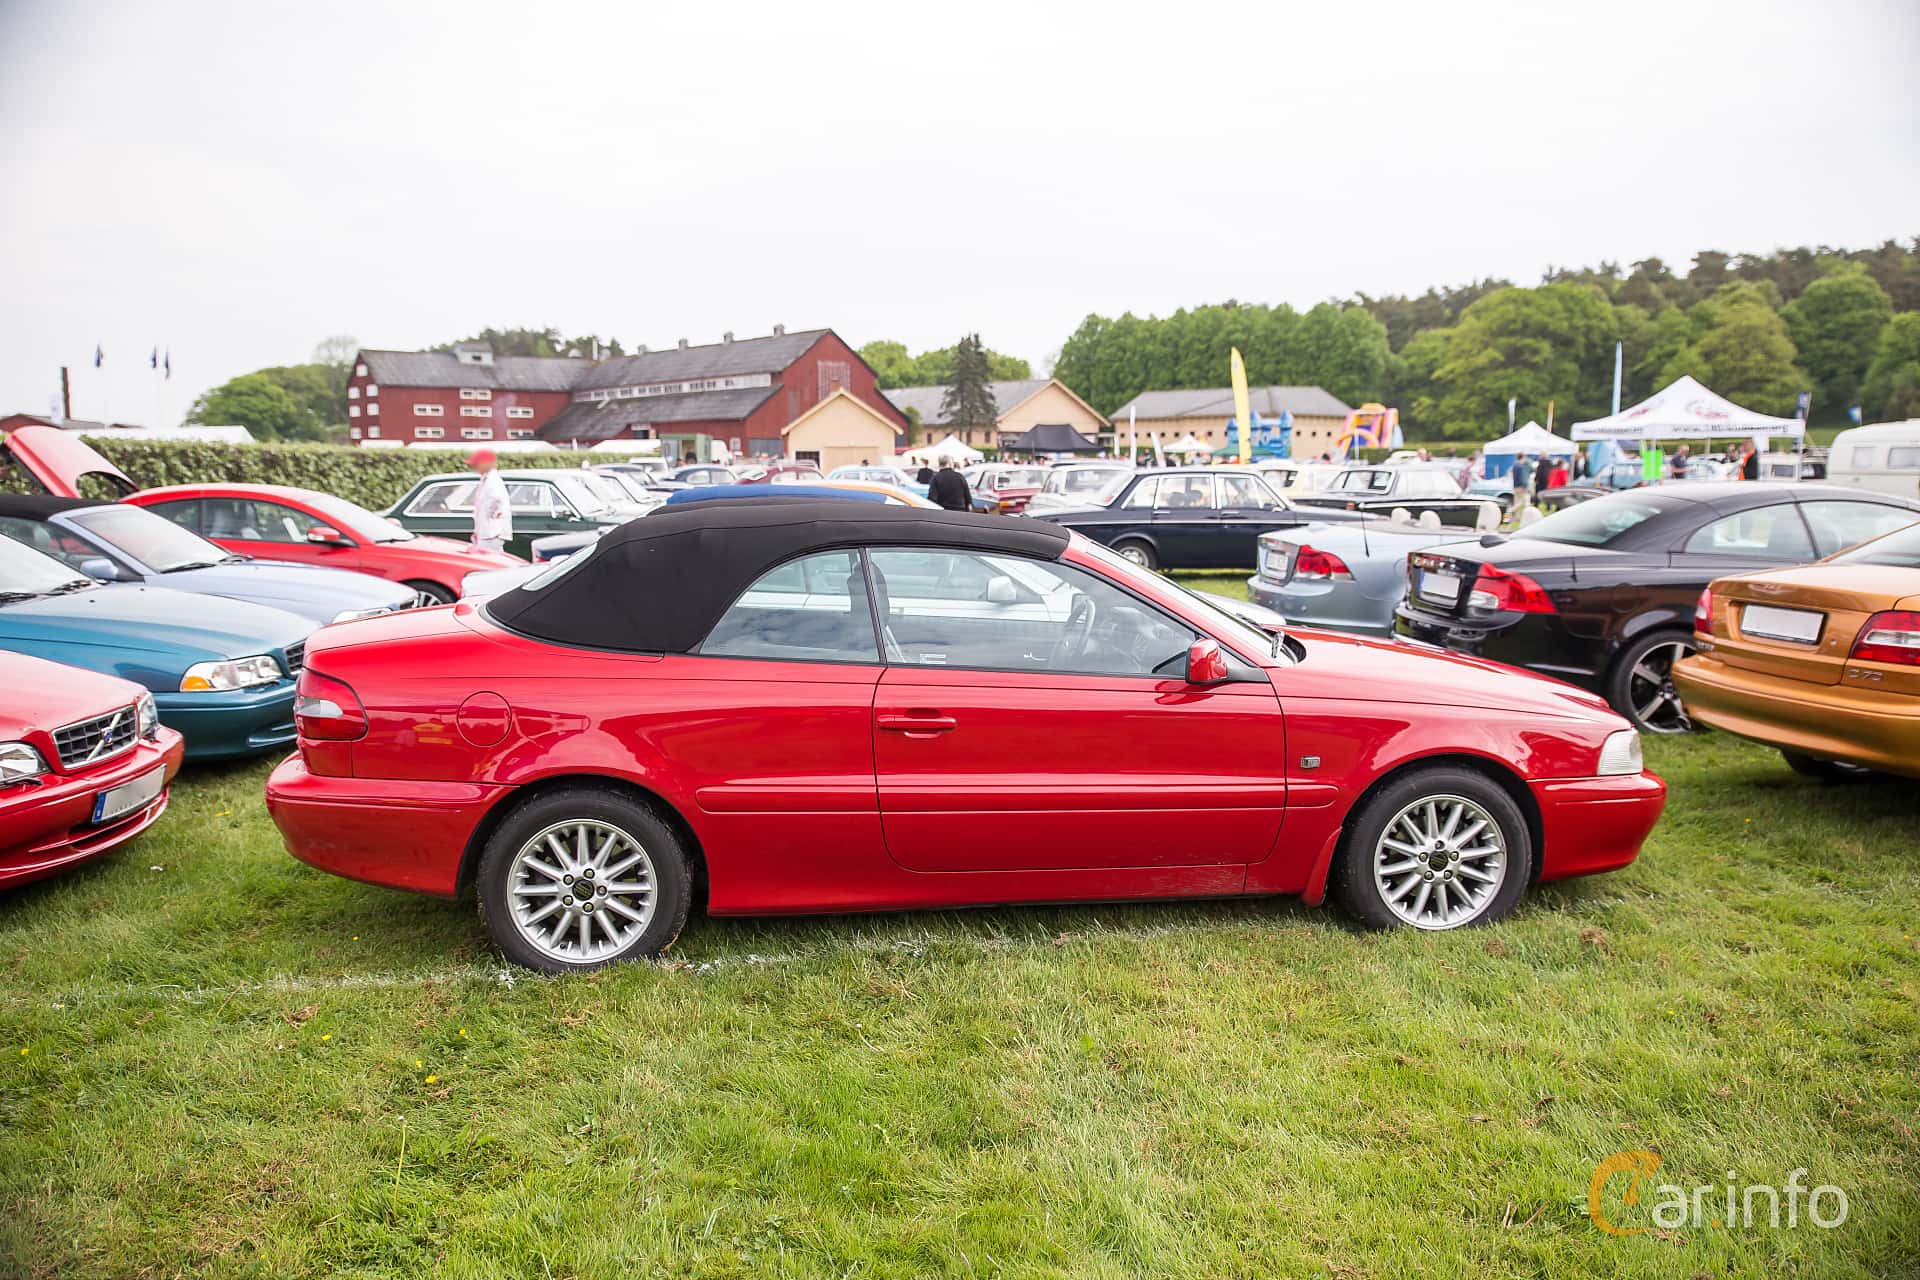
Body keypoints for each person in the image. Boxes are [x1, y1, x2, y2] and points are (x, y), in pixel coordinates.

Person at [468, 448, 511, 555]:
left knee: (488, 562)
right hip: (489, 532)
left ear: (486, 463)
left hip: (491, 532)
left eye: (477, 464)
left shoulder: (493, 480)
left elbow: (496, 499)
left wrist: (488, 517)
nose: (475, 467)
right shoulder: (487, 479)